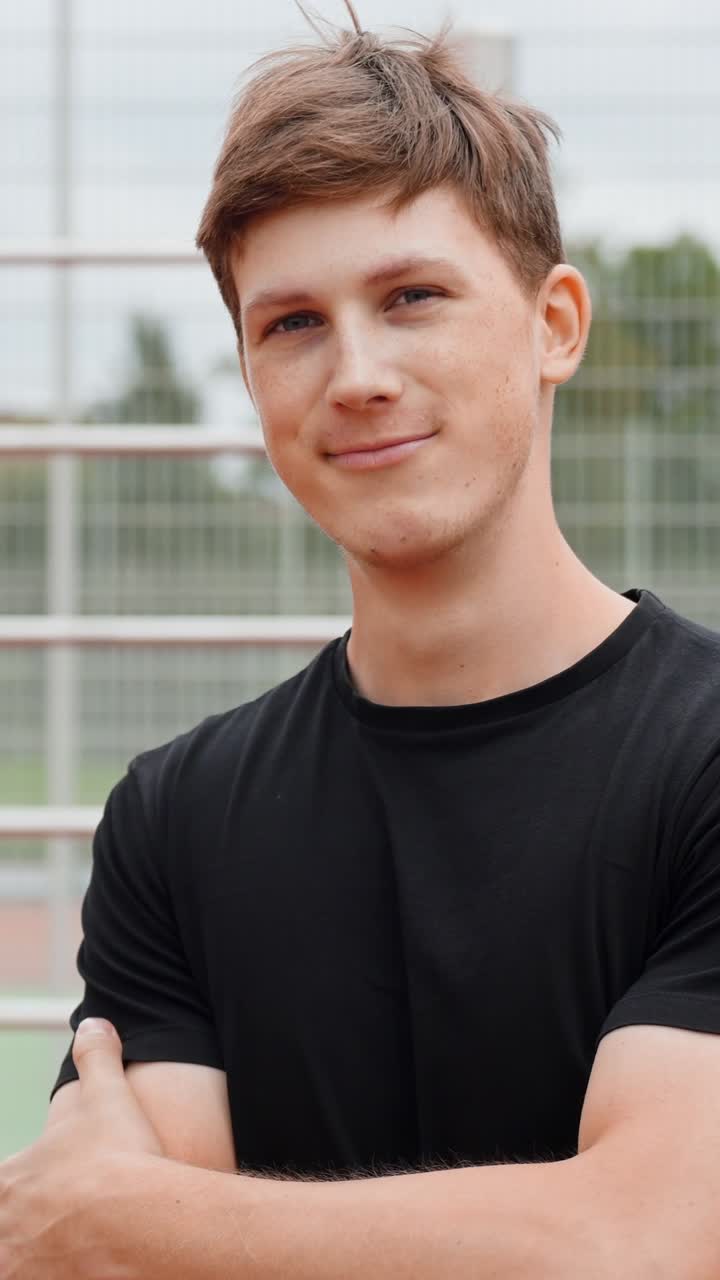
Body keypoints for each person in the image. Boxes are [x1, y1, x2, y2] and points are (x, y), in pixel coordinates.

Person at [4, 3, 720, 1276]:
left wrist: (142, 1217)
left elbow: (638, 1243)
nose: (357, 373)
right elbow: (108, 1262)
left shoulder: (704, 756)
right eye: (292, 324)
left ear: (555, 324)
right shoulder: (176, 816)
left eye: (413, 296)